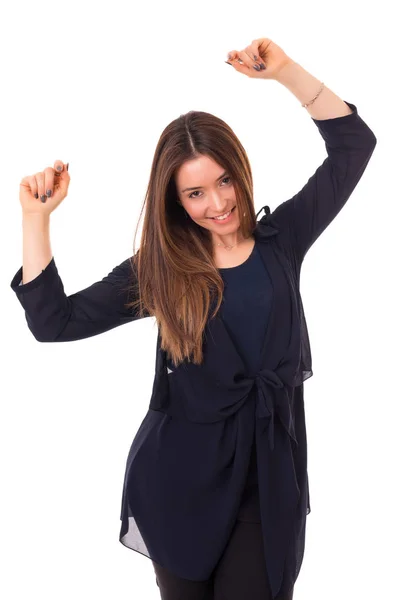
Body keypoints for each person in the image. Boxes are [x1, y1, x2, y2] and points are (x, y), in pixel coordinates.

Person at [10, 38, 377, 600]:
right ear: (176, 202)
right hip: (178, 484)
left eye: (224, 181)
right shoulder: (160, 271)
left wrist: (284, 73)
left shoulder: (283, 240)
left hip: (267, 480)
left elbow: (354, 145)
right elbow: (54, 322)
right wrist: (36, 221)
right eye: (196, 193)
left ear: (240, 171)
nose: (218, 204)